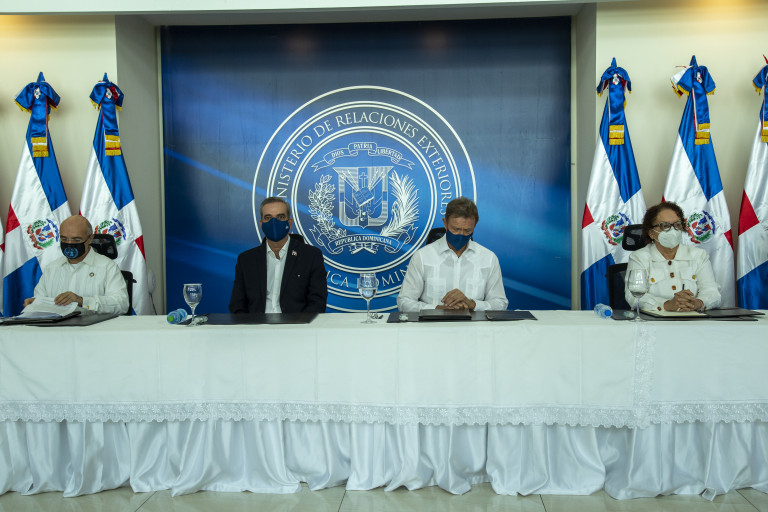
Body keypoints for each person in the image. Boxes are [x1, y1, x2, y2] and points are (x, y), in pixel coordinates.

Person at [397, 197, 508, 312]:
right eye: (455, 229)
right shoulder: (422, 257)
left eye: (467, 231)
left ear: (474, 226)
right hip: (433, 323)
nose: (461, 235)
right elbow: (404, 302)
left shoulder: (488, 258)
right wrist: (438, 309)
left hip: (474, 323)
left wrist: (473, 304)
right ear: (445, 224)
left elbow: (500, 303)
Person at [229, 197, 328, 314]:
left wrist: (299, 324)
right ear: (261, 224)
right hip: (257, 324)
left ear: (289, 222)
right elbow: (237, 306)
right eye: (268, 218)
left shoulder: (311, 256)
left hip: (296, 324)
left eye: (280, 217)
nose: (274, 222)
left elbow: (317, 303)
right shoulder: (246, 260)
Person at [625, 201, 721, 312]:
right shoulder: (639, 257)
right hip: (656, 320)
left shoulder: (698, 255)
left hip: (692, 318)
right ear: (651, 233)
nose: (673, 230)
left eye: (677, 225)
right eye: (665, 226)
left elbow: (712, 292)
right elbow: (633, 297)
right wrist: (665, 305)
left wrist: (698, 303)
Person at [23, 215, 129, 315]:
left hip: (93, 327)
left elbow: (122, 304)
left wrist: (82, 301)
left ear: (90, 239)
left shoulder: (107, 267)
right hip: (56, 327)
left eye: (76, 240)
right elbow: (41, 300)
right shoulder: (51, 268)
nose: (69, 243)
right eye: (64, 239)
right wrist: (35, 304)